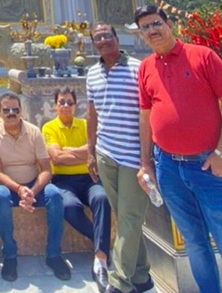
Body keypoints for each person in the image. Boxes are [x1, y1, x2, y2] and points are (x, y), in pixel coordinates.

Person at [134, 5, 222, 293]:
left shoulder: (202, 56)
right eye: (145, 27)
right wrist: (146, 164)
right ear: (141, 34)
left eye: (156, 23)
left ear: (169, 24)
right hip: (168, 167)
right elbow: (146, 118)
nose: (152, 31)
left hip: (207, 165)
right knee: (194, 242)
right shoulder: (146, 68)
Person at [86, 23, 153, 293]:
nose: (103, 40)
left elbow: (148, 113)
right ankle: (142, 276)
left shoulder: (139, 68)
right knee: (126, 217)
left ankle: (120, 282)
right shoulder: (92, 73)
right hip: (106, 154)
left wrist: (147, 159)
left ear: (117, 38)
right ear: (93, 44)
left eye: (107, 35)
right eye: (97, 38)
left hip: (134, 156)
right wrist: (91, 152)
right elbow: (92, 115)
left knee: (130, 216)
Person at [0, 92, 70, 281]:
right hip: (8, 186)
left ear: (21, 111)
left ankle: (54, 254)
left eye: (15, 109)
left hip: (34, 186)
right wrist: (19, 189)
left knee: (55, 195)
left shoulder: (34, 132)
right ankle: (9, 255)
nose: (11, 113)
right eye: (6, 109)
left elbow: (46, 170)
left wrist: (32, 191)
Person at [42, 87, 111, 291]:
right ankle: (101, 243)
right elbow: (57, 157)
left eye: (69, 102)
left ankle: (101, 256)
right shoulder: (49, 128)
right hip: (62, 180)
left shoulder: (85, 124)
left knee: (102, 198)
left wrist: (73, 151)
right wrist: (84, 151)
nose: (65, 106)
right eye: (61, 102)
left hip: (90, 178)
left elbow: (96, 148)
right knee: (69, 206)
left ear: (76, 105)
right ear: (55, 105)